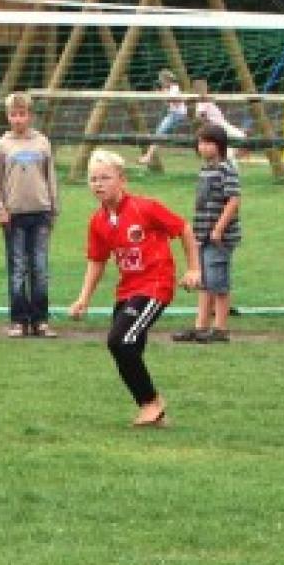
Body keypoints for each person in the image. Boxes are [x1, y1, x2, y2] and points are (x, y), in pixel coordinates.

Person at [68, 149, 200, 426]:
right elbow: (97, 261)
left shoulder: (145, 208)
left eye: (105, 178)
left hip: (155, 285)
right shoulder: (98, 221)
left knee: (120, 340)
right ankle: (152, 411)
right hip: (128, 289)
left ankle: (152, 404)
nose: (98, 184)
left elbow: (184, 229)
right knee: (125, 347)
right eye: (93, 179)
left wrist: (193, 269)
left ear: (122, 180)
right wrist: (84, 298)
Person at [0, 92, 59, 338]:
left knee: (39, 267)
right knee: (18, 268)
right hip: (14, 216)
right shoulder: (1, 146)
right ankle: (19, 320)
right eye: (13, 115)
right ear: (8, 117)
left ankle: (41, 321)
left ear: (30, 115)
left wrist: (53, 209)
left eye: (22, 114)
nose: (18, 119)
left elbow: (51, 178)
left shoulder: (42, 143)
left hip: (40, 213)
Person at [172, 125, 242, 344]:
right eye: (200, 142)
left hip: (218, 237)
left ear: (219, 145)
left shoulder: (226, 169)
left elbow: (233, 200)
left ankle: (220, 329)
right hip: (202, 235)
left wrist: (219, 228)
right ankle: (201, 326)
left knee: (218, 282)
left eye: (208, 142)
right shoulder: (205, 169)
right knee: (204, 282)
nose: (203, 147)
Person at [138, 69, 188, 166]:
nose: (161, 83)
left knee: (159, 134)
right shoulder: (169, 89)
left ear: (167, 80)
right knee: (159, 134)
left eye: (162, 81)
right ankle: (148, 156)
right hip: (173, 114)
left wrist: (165, 96)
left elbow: (176, 102)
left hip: (177, 114)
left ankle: (148, 157)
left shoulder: (174, 88)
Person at [193, 79, 247, 161]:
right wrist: (209, 126)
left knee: (238, 138)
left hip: (221, 124)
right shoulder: (202, 102)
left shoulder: (206, 100)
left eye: (205, 87)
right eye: (201, 88)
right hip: (219, 126)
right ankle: (229, 156)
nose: (205, 89)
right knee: (240, 136)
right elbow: (201, 116)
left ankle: (230, 156)